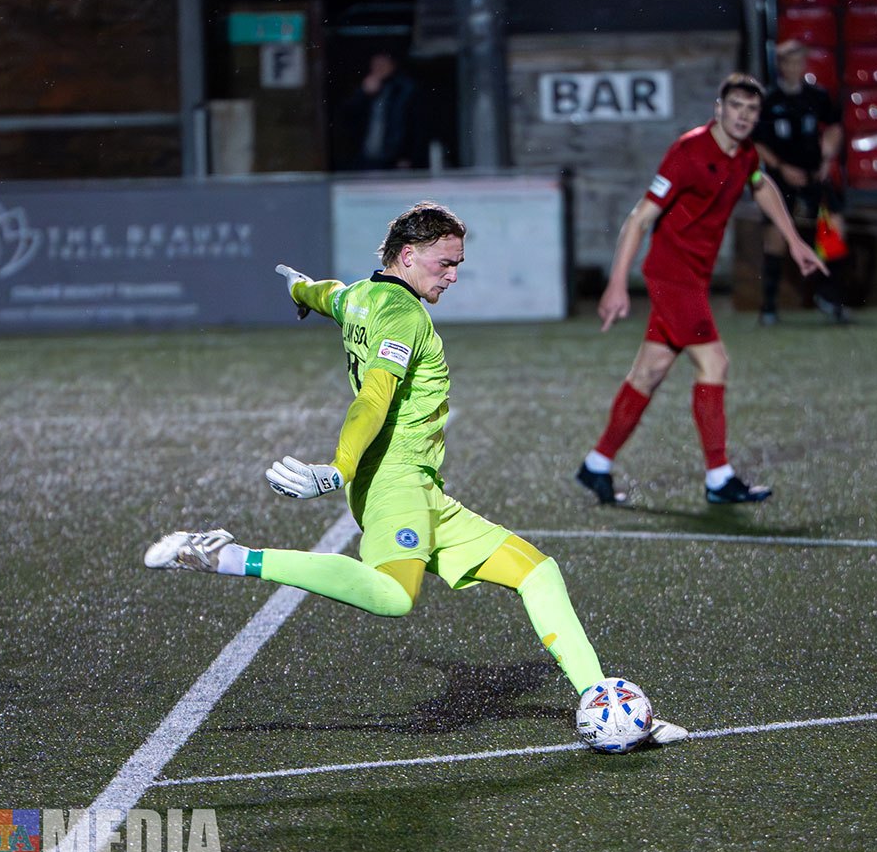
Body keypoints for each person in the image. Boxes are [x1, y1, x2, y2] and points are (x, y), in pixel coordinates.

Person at [144, 202, 686, 748]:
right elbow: (374, 398)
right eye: (445, 263)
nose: (453, 276)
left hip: (422, 489)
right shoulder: (404, 316)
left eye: (458, 265)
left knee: (537, 572)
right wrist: (338, 468)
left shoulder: (362, 295)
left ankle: (605, 702)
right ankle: (228, 556)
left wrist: (300, 291)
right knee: (393, 595)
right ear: (408, 256)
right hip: (392, 480)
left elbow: (330, 296)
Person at [575, 73, 826, 506]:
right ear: (719, 109)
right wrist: (617, 284)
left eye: (751, 110)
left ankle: (596, 465)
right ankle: (718, 478)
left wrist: (794, 240)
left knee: (649, 373)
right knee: (715, 363)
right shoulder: (687, 153)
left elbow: (761, 185)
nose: (743, 116)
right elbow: (639, 219)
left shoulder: (746, 154)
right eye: (736, 107)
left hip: (695, 278)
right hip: (671, 277)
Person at [752, 39, 850, 325]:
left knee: (833, 229)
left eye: (799, 62)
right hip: (781, 178)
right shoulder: (769, 100)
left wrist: (827, 157)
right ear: (780, 65)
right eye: (789, 62)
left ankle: (830, 298)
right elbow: (755, 142)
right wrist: (780, 167)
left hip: (813, 175)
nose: (794, 67)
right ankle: (769, 307)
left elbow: (834, 127)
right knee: (775, 237)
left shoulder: (817, 96)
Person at [340, 52, 424, 170]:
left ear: (392, 65)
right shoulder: (365, 87)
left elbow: (415, 126)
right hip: (367, 156)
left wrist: (408, 156)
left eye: (382, 64)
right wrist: (363, 94)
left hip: (394, 158)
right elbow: (348, 117)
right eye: (376, 64)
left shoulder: (405, 89)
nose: (379, 68)